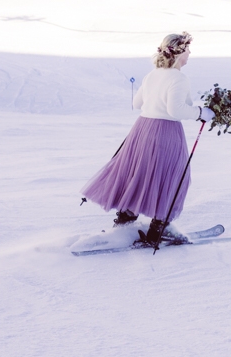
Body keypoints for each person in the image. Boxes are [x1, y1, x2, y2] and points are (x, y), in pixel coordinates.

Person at [82, 33, 214, 247]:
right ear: (179, 53)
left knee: (139, 174)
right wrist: (201, 113)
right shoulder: (178, 78)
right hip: (165, 132)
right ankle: (158, 229)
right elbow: (176, 110)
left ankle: (125, 222)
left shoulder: (152, 75)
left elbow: (137, 103)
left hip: (142, 129)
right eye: (188, 49)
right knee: (170, 177)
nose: (190, 53)